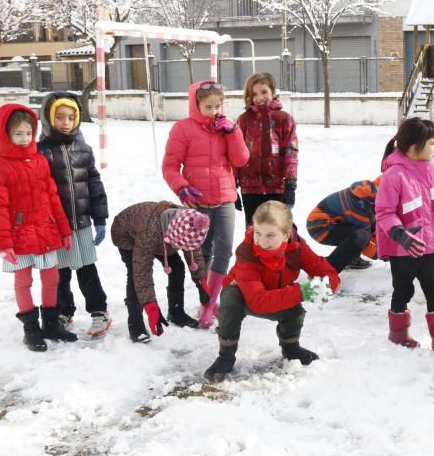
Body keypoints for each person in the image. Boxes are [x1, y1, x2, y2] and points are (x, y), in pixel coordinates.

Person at [203, 201, 341, 382]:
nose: (261, 241)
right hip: (247, 296)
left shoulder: (297, 248)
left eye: (270, 235)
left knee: (295, 311)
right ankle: (225, 357)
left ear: (286, 235)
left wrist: (323, 287)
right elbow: (258, 302)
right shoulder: (246, 252)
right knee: (230, 300)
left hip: (274, 295)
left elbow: (329, 274)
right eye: (258, 233)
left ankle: (291, 349)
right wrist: (302, 291)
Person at [0, 104, 77, 351]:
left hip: (46, 230)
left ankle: (50, 324)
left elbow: (53, 197)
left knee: (51, 279)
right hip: (18, 235)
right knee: (23, 281)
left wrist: (64, 230)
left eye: (28, 133)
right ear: (5, 134)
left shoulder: (39, 161)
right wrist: (3, 243)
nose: (24, 138)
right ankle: (31, 329)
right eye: (18, 134)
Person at [162, 80, 250, 328]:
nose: (214, 112)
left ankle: (210, 306)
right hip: (197, 200)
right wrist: (181, 186)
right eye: (208, 106)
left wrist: (233, 133)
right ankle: (206, 300)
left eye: (218, 106)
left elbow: (241, 160)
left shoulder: (229, 127)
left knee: (225, 250)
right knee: (203, 253)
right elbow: (169, 166)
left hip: (225, 198)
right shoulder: (182, 129)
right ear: (195, 105)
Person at [377, 118, 434, 353]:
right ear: (415, 147)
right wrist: (400, 234)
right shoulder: (394, 176)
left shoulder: (431, 173)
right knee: (403, 290)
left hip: (428, 246)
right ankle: (398, 333)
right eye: (432, 144)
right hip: (402, 249)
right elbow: (384, 212)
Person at [37, 93, 111, 339]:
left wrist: (99, 220)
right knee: (60, 272)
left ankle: (99, 310)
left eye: (71, 117)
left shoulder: (83, 149)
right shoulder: (40, 152)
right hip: (54, 226)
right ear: (48, 118)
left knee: (86, 268)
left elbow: (95, 185)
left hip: (80, 224)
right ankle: (64, 310)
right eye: (59, 117)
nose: (65, 122)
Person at [110, 202, 210, 343]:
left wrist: (200, 280)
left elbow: (194, 251)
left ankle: (176, 312)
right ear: (172, 235)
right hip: (126, 234)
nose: (182, 248)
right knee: (134, 275)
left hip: (161, 237)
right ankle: (135, 324)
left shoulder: (190, 220)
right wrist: (151, 308)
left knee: (177, 267)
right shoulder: (149, 232)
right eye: (179, 245)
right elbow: (142, 272)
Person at [236, 72, 299, 224]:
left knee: (276, 229)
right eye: (254, 94)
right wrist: (232, 187)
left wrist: (290, 184)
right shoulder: (243, 120)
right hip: (250, 188)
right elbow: (235, 154)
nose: (259, 97)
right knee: (253, 231)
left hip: (276, 187)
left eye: (264, 92)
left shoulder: (283, 119)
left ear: (273, 91)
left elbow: (291, 151)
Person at [306, 178, 380, 273]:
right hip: (319, 228)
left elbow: (372, 225)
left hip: (332, 223)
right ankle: (325, 270)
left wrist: (384, 245)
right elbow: (363, 240)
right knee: (360, 236)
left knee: (363, 230)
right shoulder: (359, 207)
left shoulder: (367, 195)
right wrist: (379, 254)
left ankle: (351, 258)